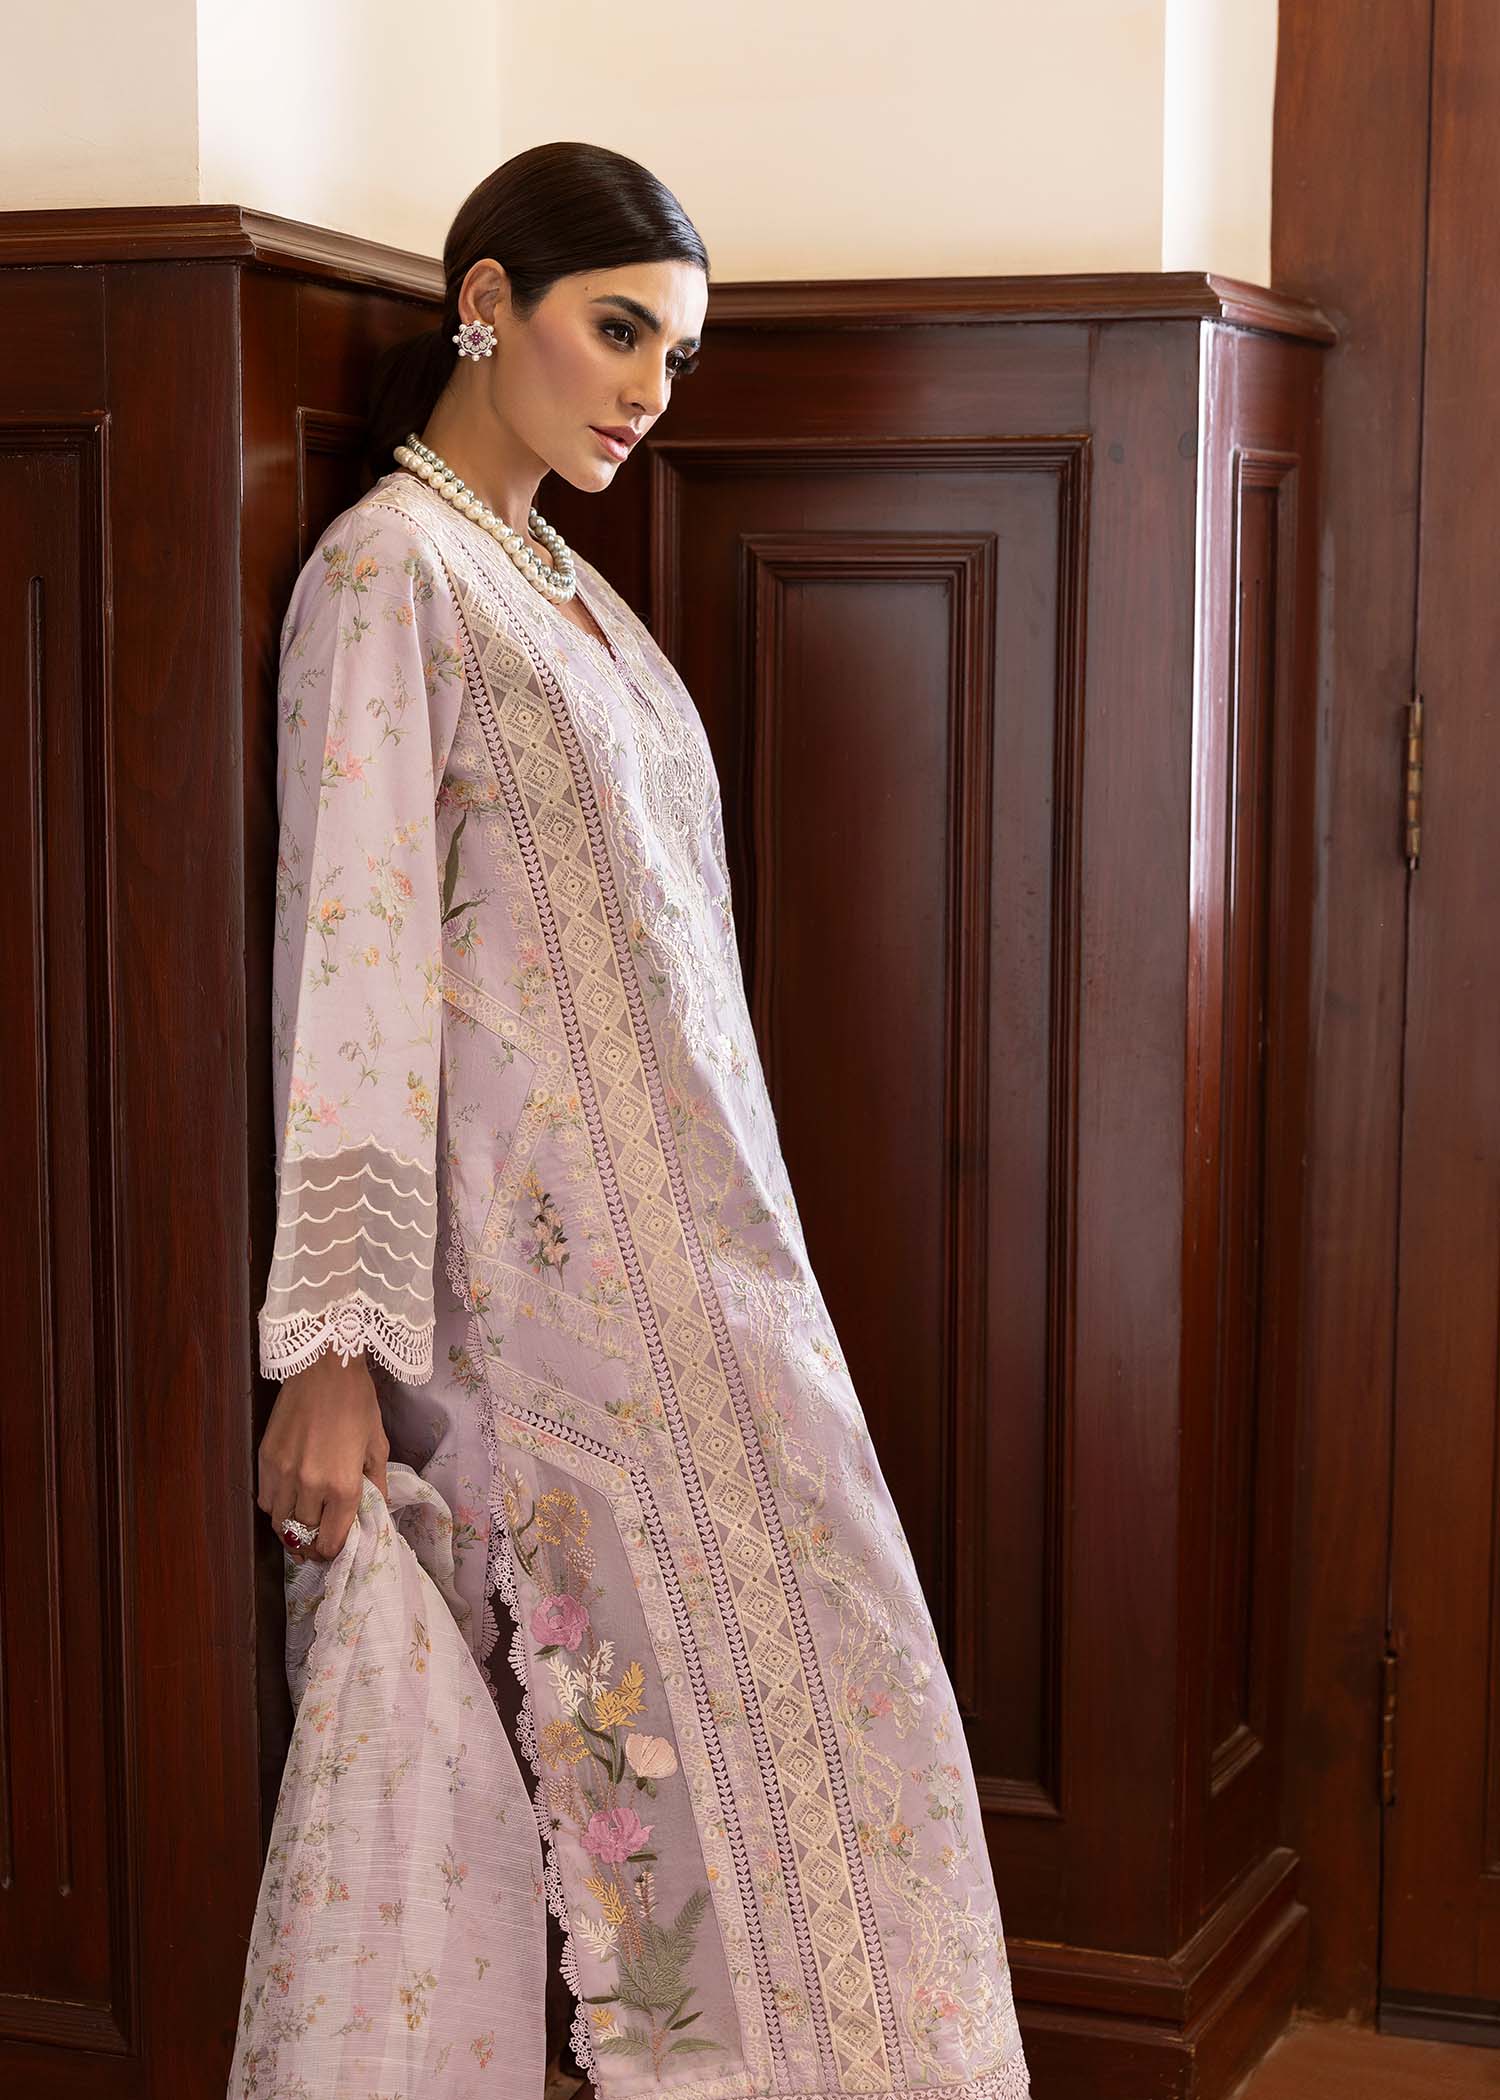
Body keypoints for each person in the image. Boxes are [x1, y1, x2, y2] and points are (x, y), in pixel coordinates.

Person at [230, 140, 1031, 2100]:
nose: (649, 392)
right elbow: (351, 949)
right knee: (630, 1772)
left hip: (707, 1276)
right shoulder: (389, 575)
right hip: (534, 1315)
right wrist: (332, 1347)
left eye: (676, 356)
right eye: (617, 333)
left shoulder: (566, 590)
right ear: (484, 301)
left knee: (844, 1702)